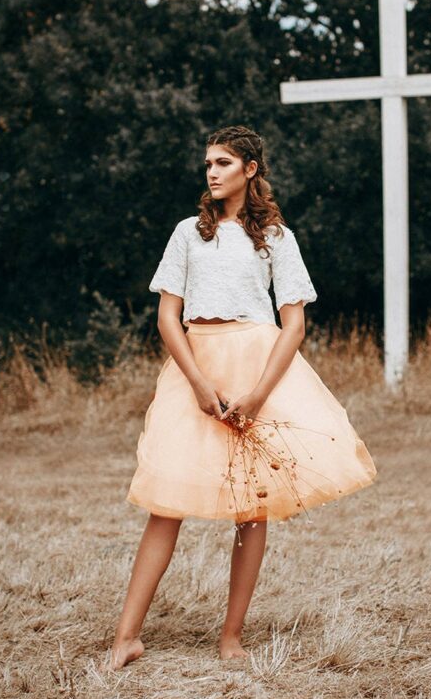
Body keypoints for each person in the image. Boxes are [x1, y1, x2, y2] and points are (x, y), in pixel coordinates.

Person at [109, 125, 377, 669]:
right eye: (208, 162)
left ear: (250, 169)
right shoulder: (188, 232)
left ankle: (231, 637)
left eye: (224, 162)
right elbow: (167, 317)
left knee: (252, 508)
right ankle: (126, 638)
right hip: (195, 365)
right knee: (166, 505)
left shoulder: (276, 238)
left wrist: (255, 396)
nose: (212, 171)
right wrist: (201, 386)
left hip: (256, 366)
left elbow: (293, 324)